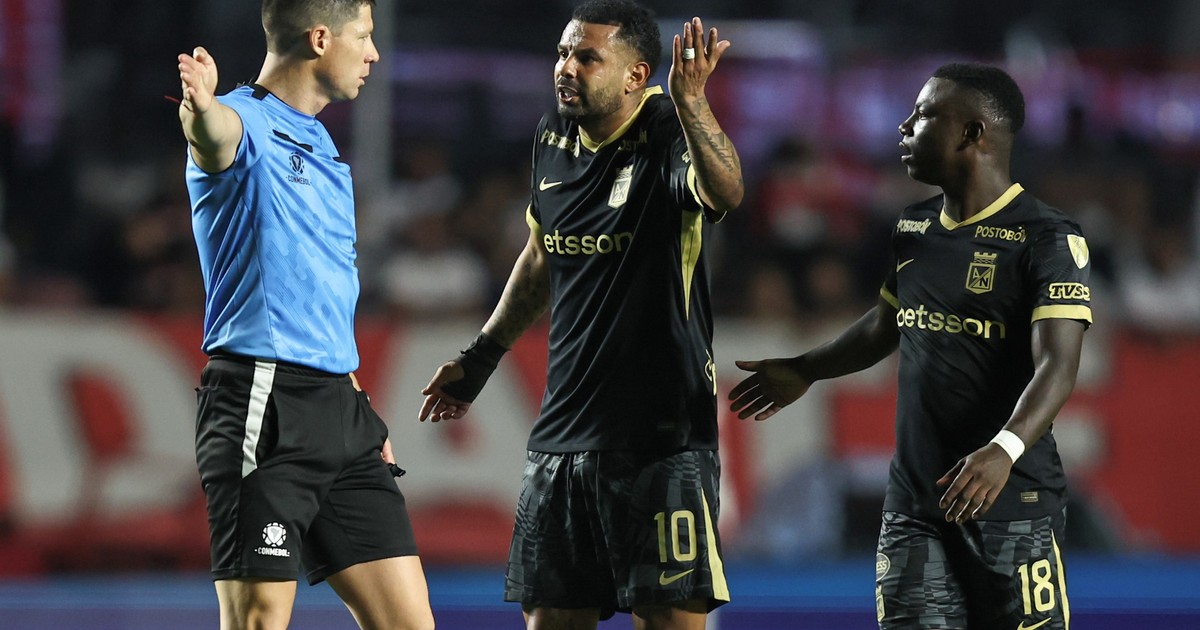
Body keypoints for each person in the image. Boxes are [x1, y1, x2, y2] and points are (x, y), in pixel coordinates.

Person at [729, 63, 1092, 630]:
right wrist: (806, 368)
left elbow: (1058, 366)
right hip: (914, 510)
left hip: (1011, 504)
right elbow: (884, 327)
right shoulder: (913, 228)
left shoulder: (1046, 238)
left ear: (972, 133)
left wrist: (1004, 449)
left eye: (923, 115)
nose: (904, 127)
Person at [419, 1, 743, 628]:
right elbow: (541, 256)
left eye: (587, 57)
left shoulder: (668, 130)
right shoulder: (552, 136)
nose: (566, 68)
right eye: (563, 53)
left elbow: (727, 191)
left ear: (635, 75)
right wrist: (479, 359)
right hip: (561, 437)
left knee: (667, 619)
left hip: (660, 438)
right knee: (549, 620)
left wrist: (692, 103)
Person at [178, 1, 435, 628]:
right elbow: (214, 138)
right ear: (321, 38)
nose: (374, 53)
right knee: (259, 620)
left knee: (410, 623)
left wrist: (352, 398)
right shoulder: (242, 117)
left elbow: (317, 289)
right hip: (266, 402)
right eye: (363, 36)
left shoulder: (321, 140)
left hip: (342, 412)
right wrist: (202, 111)